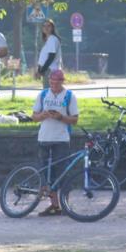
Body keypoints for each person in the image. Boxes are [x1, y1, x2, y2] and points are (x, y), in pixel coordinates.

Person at [31, 69, 79, 216]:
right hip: (44, 137)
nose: (53, 85)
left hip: (61, 138)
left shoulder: (69, 96)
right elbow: (33, 116)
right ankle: (55, 205)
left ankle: (65, 204)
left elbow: (75, 119)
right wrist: (42, 116)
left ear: (62, 81)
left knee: (62, 172)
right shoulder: (43, 94)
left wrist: (61, 117)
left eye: (56, 82)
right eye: (51, 82)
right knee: (46, 173)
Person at [35, 19, 62, 88]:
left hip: (50, 70)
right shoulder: (48, 40)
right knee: (48, 92)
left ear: (52, 28)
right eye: (44, 26)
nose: (46, 28)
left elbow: (51, 57)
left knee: (49, 93)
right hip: (47, 70)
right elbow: (43, 58)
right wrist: (39, 70)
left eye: (48, 26)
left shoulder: (52, 39)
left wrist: (41, 71)